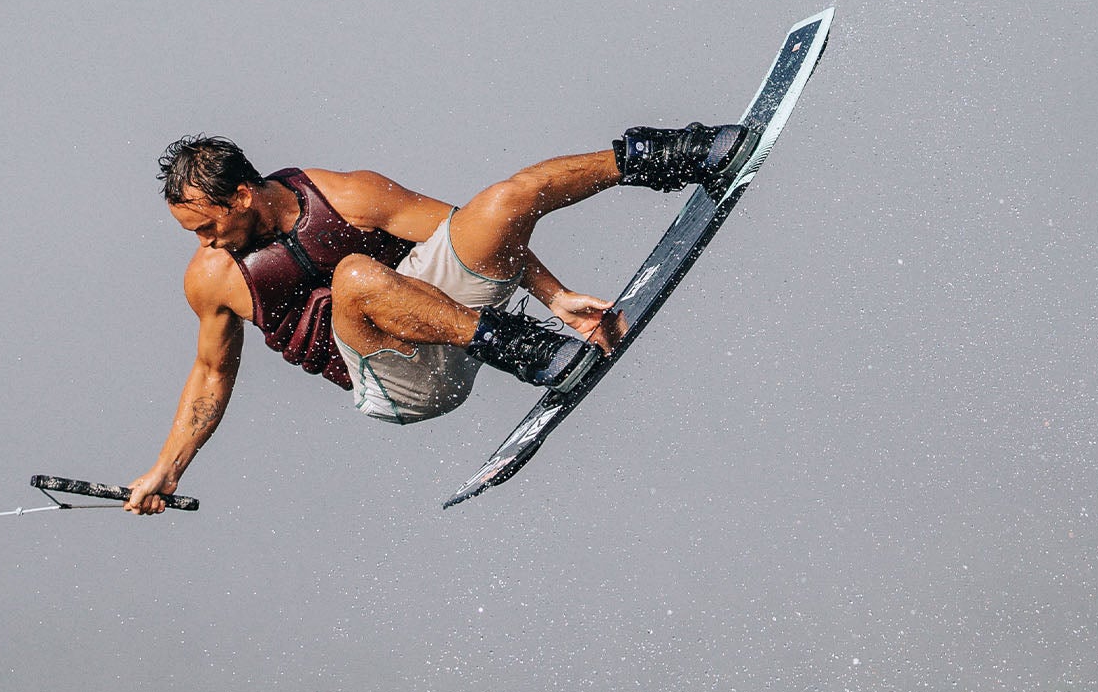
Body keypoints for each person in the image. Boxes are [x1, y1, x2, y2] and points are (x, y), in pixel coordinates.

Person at [124, 120, 748, 509]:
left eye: (208, 226)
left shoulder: (346, 194)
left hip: (443, 314)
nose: (206, 242)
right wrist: (167, 469)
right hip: (398, 379)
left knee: (505, 199)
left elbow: (472, 235)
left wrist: (554, 296)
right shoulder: (212, 278)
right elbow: (210, 376)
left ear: (242, 194)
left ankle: (680, 153)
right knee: (354, 278)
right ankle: (526, 351)